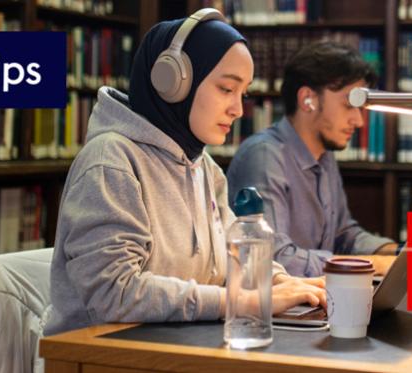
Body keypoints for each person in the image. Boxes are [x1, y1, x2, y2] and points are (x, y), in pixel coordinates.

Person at [43, 9, 325, 337]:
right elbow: (113, 294)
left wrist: (282, 283)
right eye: (226, 89)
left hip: (173, 347)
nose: (237, 109)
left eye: (243, 94)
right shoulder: (111, 163)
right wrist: (242, 301)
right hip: (100, 357)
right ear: (173, 83)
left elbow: (234, 257)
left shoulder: (205, 169)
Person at [226, 41, 398, 278]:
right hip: (276, 310)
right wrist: (375, 264)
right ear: (308, 99)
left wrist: (398, 253)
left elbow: (343, 235)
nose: (359, 121)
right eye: (349, 105)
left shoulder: (325, 157)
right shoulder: (264, 157)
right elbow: (273, 256)